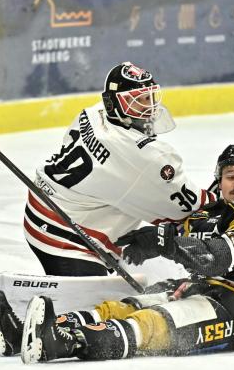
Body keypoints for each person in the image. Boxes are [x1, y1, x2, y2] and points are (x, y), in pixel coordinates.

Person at [0, 144, 234, 361]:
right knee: (122, 307)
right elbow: (177, 238)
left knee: (154, 320)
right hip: (202, 288)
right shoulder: (205, 215)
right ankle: (24, 335)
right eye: (230, 176)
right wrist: (149, 239)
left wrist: (164, 241)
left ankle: (62, 344)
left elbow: (216, 258)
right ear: (219, 180)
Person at [23, 62, 214, 276]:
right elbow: (189, 210)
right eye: (137, 100)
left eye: (149, 97)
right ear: (113, 103)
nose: (149, 107)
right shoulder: (143, 156)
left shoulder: (93, 113)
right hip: (67, 238)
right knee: (96, 300)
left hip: (43, 203)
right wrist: (224, 200)